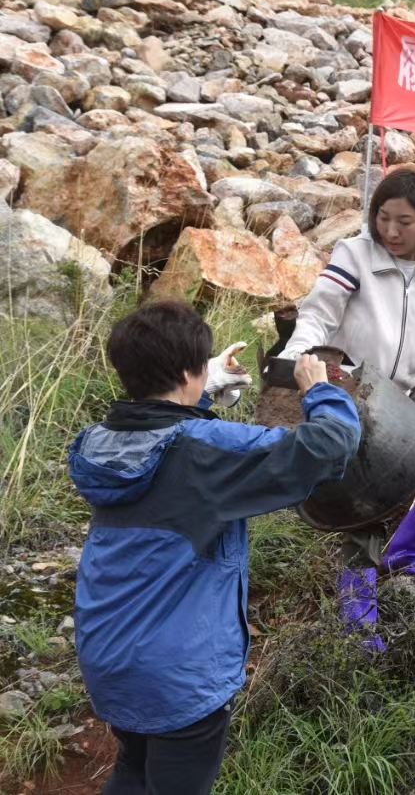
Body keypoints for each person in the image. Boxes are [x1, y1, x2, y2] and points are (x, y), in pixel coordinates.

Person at [69, 302, 360, 795]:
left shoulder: (96, 443)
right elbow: (329, 445)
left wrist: (201, 393)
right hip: (177, 671)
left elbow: (164, 435)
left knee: (135, 766)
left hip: (107, 652)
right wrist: (321, 390)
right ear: (188, 371)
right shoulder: (207, 450)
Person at [281, 168, 415, 644]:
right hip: (349, 398)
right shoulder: (354, 254)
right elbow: (318, 314)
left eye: (405, 222)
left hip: (404, 404)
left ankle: (406, 552)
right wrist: (294, 359)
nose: (391, 232)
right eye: (383, 218)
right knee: (363, 508)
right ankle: (359, 624)